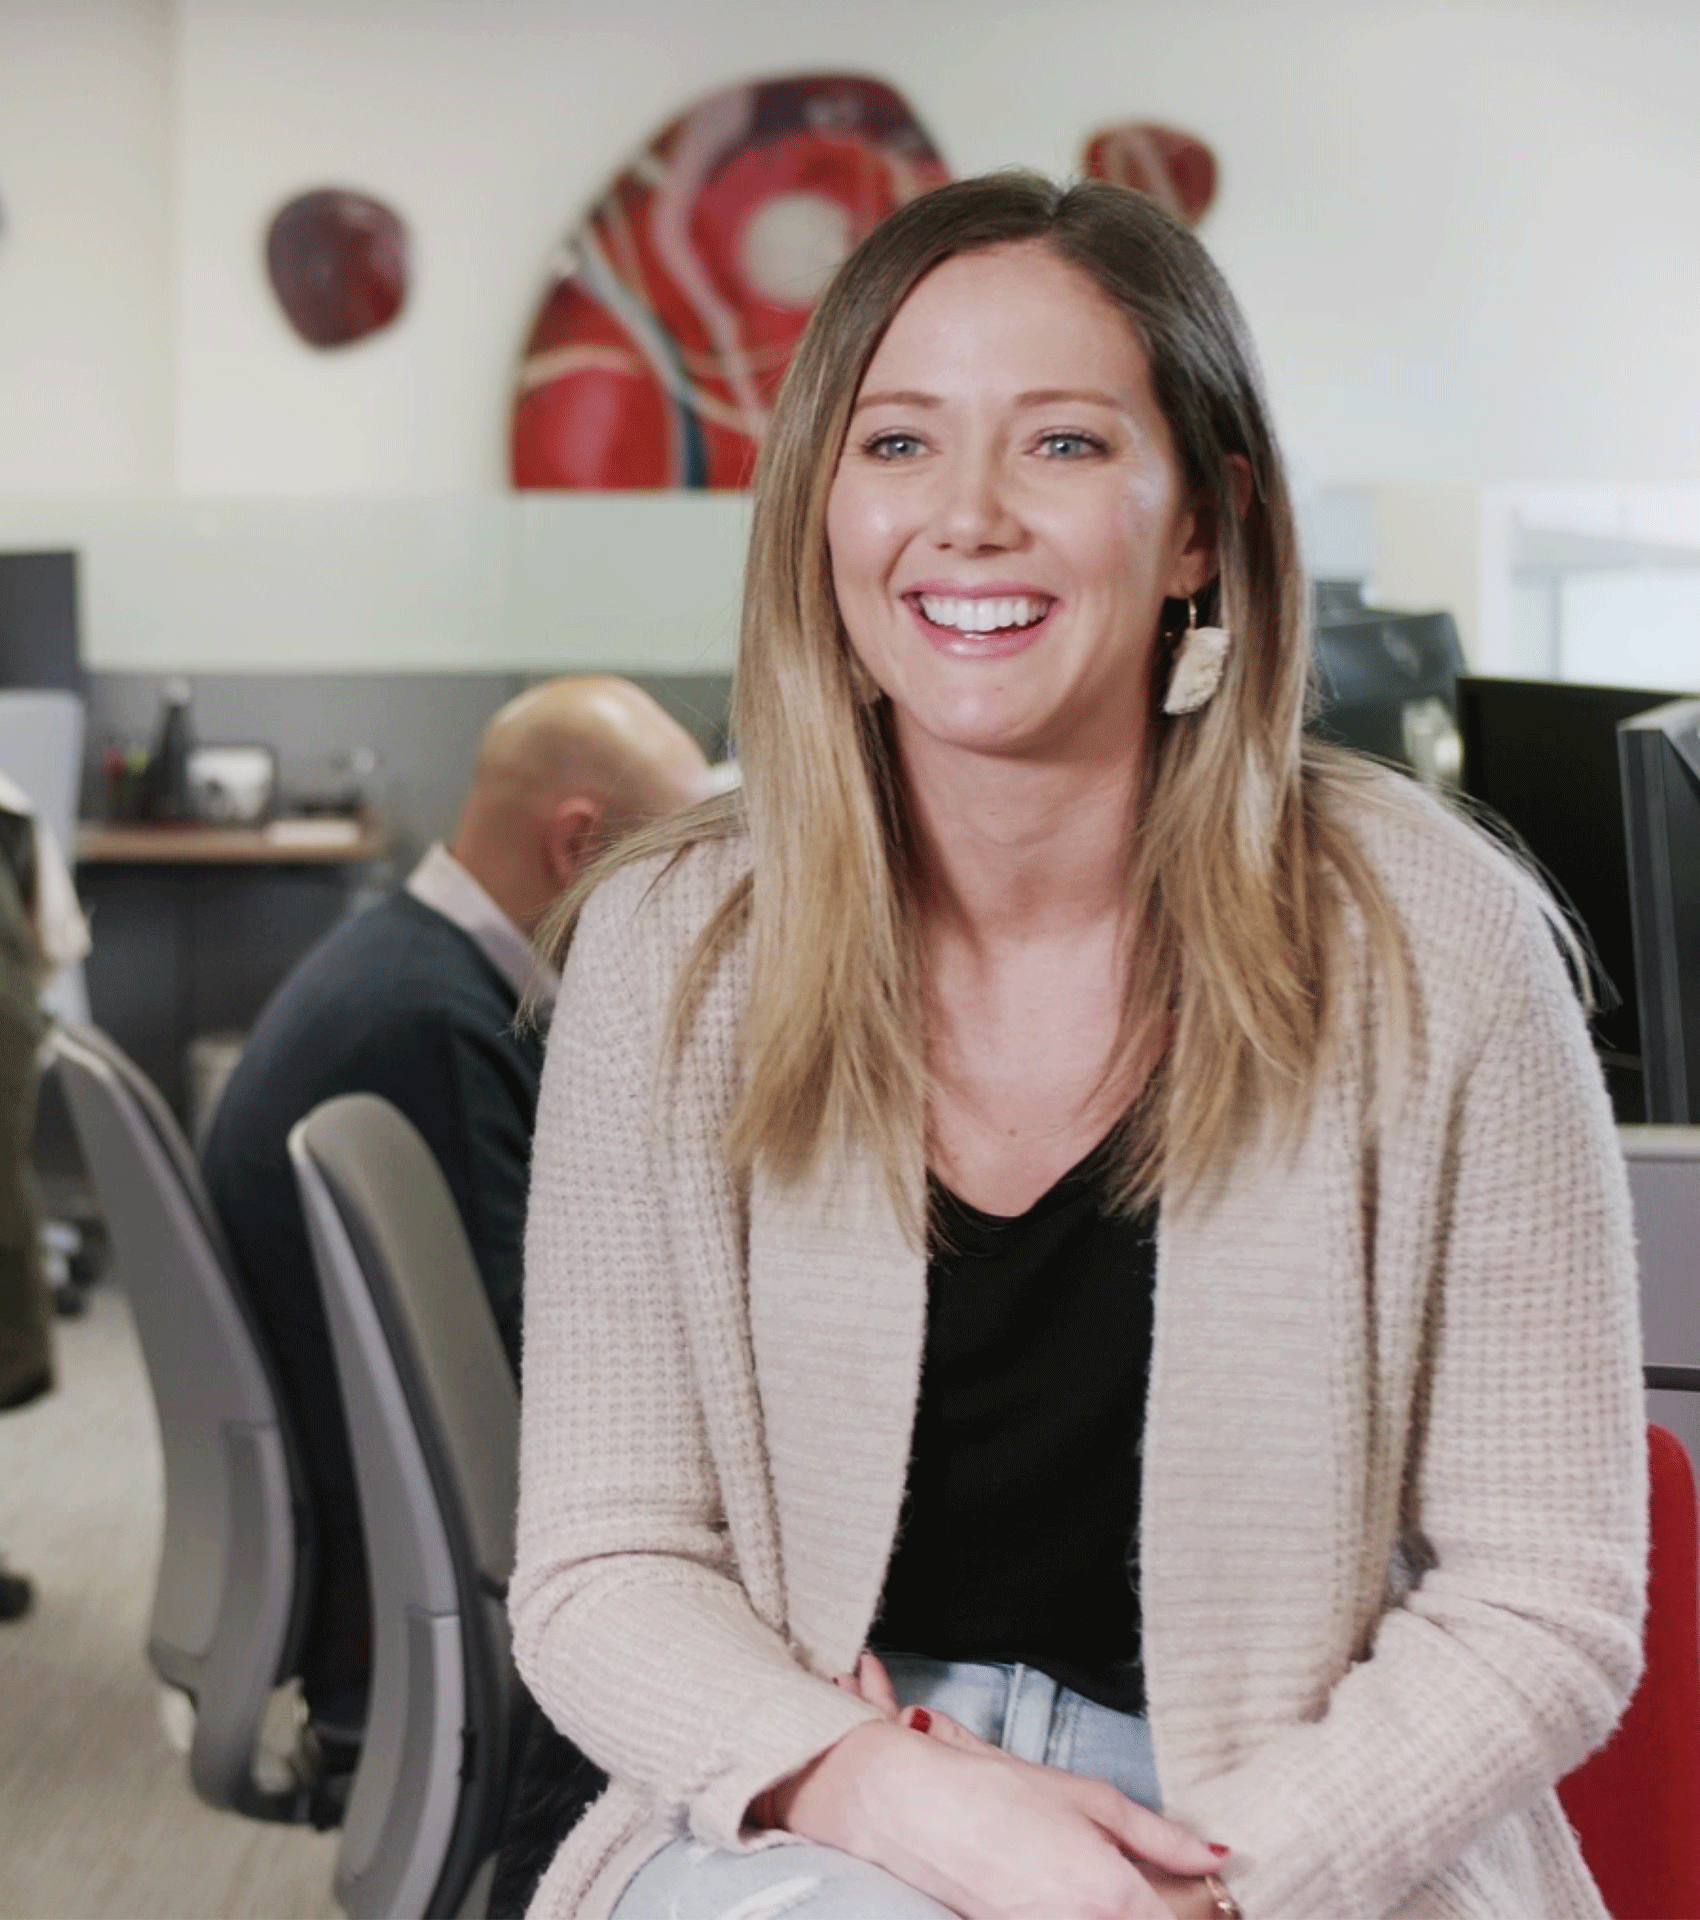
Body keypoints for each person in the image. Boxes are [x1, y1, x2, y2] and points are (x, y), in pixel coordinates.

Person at [509, 174, 1645, 1920]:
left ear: (1201, 522)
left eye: (1059, 445)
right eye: (896, 445)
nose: (966, 517)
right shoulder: (674, 957)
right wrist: (890, 1793)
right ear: (819, 505)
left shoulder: (1441, 944)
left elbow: (1542, 1601)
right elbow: (603, 1562)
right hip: (830, 1784)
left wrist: (1203, 1895)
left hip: (1293, 1819)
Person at [202, 674, 710, 1734]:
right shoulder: (432, 1034)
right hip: (405, 1583)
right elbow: (531, 1395)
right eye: (672, 871)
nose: (687, 914)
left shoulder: (408, 966)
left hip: (374, 1526)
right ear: (576, 849)